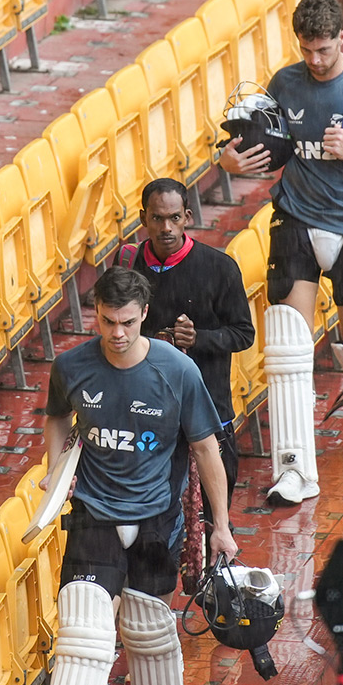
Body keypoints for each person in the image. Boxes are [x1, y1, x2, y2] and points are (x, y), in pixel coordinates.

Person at [40, 266, 239, 685]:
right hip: (93, 512)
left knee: (149, 632)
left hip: (157, 519)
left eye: (127, 322)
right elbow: (58, 416)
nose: (118, 333)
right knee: (83, 631)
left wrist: (219, 526)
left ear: (144, 315)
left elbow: (205, 448)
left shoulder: (177, 371)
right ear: (96, 315)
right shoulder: (71, 366)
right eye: (107, 321)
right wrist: (56, 466)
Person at [219, 0, 343, 506]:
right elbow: (257, 144)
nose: (316, 60)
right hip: (295, 220)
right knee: (288, 343)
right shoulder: (285, 83)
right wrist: (230, 164)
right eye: (308, 50)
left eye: (325, 50)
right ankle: (294, 469)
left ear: (342, 40)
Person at [117, 177, 255, 562]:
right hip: (147, 411)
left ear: (188, 217)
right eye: (157, 219)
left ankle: (214, 577)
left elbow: (244, 334)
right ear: (143, 219)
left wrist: (200, 340)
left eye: (174, 218)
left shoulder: (220, 268)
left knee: (215, 514)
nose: (166, 229)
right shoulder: (127, 264)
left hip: (209, 409)